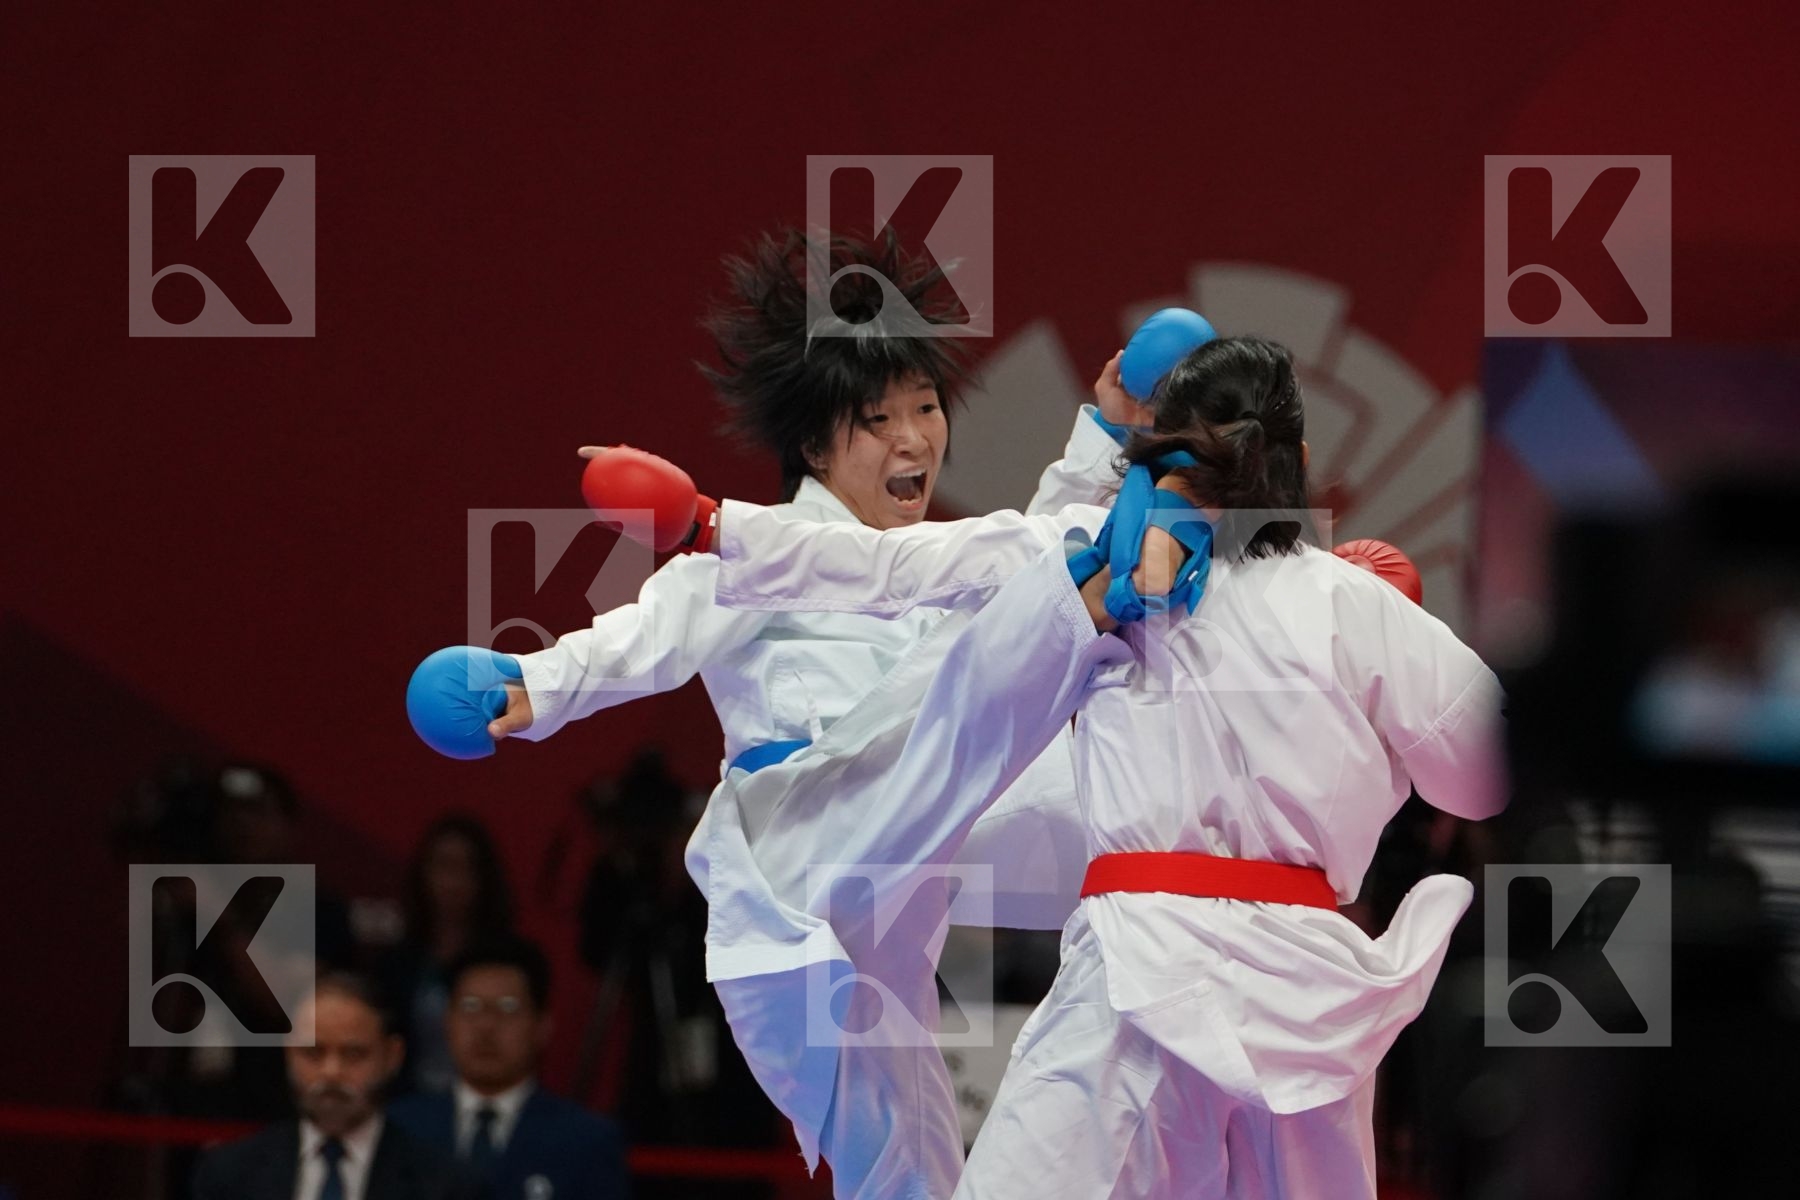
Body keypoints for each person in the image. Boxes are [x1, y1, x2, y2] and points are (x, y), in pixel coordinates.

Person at [700, 335, 1508, 1198]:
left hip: (1136, 982)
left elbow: (895, 564)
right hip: (1309, 1000)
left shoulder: (1106, 562)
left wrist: (709, 525)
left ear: (1163, 452)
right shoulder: (1356, 607)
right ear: (1298, 462)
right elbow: (1484, 779)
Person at [420, 228, 1136, 1197]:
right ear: (814, 442)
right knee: (1019, 631)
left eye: (926, 409)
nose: (916, 438)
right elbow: (648, 633)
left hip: (905, 877)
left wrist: (1099, 440)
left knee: (910, 1174)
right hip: (806, 859)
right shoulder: (766, 552)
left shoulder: (931, 562)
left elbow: (1022, 565)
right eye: (880, 420)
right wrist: (533, 685)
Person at [192, 973, 482, 1200]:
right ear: (288, 1053)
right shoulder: (230, 1176)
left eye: (354, 1054)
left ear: (392, 1057)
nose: (331, 1073)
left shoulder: (443, 1186)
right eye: (313, 1053)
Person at [390, 936, 630, 1200]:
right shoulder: (400, 1127)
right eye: (471, 1006)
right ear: (448, 1020)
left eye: (507, 1008)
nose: (486, 1026)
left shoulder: (587, 1140)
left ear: (542, 1025)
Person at [380, 815, 517, 1097]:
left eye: (466, 868)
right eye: (443, 866)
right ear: (423, 873)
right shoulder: (398, 961)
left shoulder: (508, 961)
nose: (453, 882)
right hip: (408, 1105)